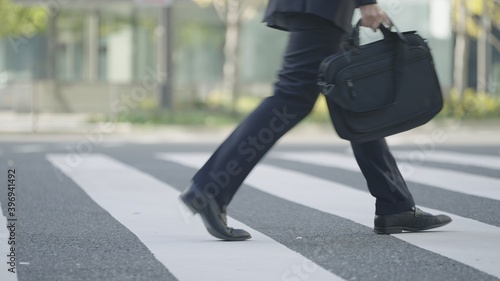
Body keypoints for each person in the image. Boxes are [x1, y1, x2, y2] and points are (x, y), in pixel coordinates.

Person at [180, 0, 452, 241]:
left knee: (353, 101)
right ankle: (210, 189)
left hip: (320, 8)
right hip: (323, 8)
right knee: (292, 97)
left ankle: (396, 204)